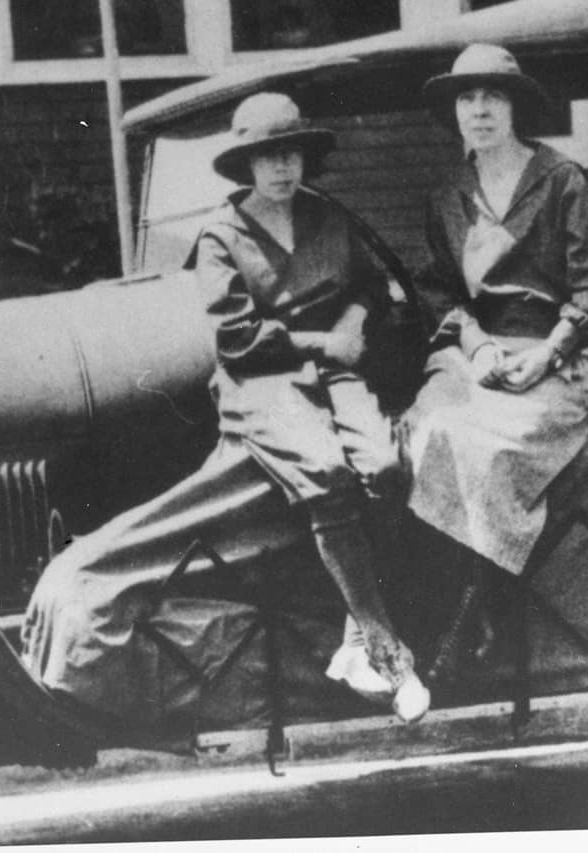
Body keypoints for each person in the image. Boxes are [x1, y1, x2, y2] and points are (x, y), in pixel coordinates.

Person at [189, 91, 429, 723]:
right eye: (266, 157)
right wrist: (322, 339)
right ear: (246, 164)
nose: (281, 168)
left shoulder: (328, 216)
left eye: (290, 153)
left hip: (334, 370)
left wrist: (351, 321)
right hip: (261, 382)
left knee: (383, 465)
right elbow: (236, 339)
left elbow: (374, 286)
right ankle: (385, 651)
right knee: (327, 473)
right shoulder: (221, 235)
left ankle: (354, 634)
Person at [400, 44, 588, 583]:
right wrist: (476, 345)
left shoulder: (561, 180)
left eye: (493, 97)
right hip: (475, 356)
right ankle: (440, 605)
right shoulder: (447, 195)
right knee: (426, 434)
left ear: (515, 108)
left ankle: (491, 605)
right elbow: (437, 290)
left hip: (555, 356)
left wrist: (549, 354)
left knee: (492, 453)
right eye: (467, 98)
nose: (479, 110)